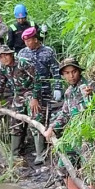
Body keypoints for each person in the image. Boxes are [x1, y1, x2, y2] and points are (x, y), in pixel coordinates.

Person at [43, 57, 95, 189]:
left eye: (73, 72)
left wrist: (92, 95)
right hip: (75, 136)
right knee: (63, 165)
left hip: (89, 135)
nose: (71, 76)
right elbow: (65, 114)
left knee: (90, 169)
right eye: (67, 73)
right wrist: (52, 127)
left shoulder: (89, 86)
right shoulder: (68, 92)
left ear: (79, 72)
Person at [0, 45, 41, 161]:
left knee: (34, 119)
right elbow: (1, 84)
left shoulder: (23, 63)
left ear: (11, 54)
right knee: (15, 121)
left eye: (6, 55)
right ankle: (15, 153)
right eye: (1, 57)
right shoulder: (3, 66)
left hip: (30, 91)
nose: (4, 58)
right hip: (18, 94)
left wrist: (35, 98)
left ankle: (40, 154)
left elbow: (38, 79)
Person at [16, 26, 61, 165]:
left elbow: (55, 71)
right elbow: (19, 74)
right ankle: (35, 149)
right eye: (25, 41)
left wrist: (58, 87)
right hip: (29, 92)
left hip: (46, 90)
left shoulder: (47, 52)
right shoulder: (22, 53)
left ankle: (48, 146)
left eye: (29, 41)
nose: (27, 44)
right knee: (34, 117)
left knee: (47, 116)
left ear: (35, 39)